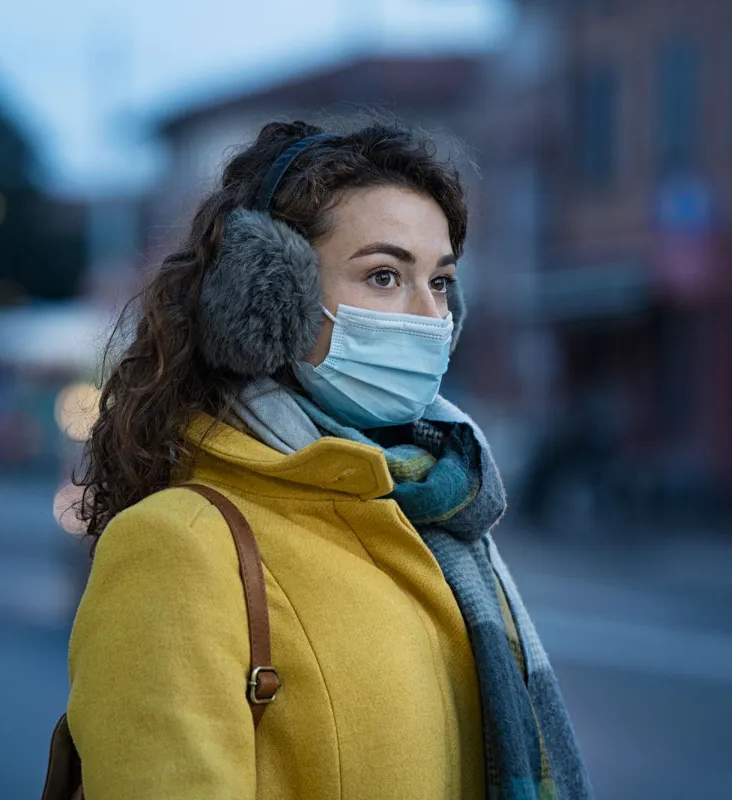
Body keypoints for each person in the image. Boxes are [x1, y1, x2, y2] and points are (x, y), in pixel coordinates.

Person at [68, 120, 592, 800]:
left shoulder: (437, 518)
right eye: (383, 275)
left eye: (440, 282)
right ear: (270, 299)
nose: (428, 316)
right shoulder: (178, 547)